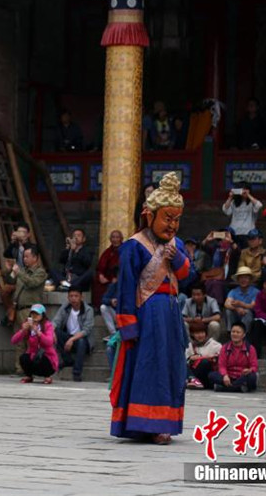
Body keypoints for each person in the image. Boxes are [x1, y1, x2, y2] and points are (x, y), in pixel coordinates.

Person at [111, 172, 193, 445]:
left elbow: (188, 276)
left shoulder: (176, 245)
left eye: (176, 220)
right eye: (167, 218)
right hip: (147, 314)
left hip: (170, 314)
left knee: (171, 369)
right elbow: (125, 288)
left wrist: (177, 258)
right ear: (150, 216)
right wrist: (128, 325)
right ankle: (144, 424)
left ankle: (164, 423)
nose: (172, 225)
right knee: (148, 369)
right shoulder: (134, 246)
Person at [5, 244, 48, 375]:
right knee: (19, 340)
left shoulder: (40, 272)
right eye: (24, 257)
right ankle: (19, 368)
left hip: (31, 310)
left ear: (35, 257)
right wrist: (10, 271)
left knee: (31, 340)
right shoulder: (22, 271)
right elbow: (9, 281)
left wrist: (19, 273)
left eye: (27, 256)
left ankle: (31, 368)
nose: (24, 259)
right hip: (18, 309)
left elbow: (31, 283)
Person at [51, 288, 94, 382]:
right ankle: (67, 360)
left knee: (81, 341)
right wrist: (52, 331)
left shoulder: (88, 310)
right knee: (56, 332)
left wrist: (72, 339)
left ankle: (77, 373)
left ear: (81, 297)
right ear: (68, 297)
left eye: (76, 296)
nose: (73, 298)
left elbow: (86, 330)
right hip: (68, 336)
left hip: (82, 339)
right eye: (71, 296)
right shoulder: (65, 307)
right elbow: (55, 321)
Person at [11, 303, 58, 384]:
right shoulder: (28, 325)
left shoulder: (47, 325)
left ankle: (47, 376)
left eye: (37, 314)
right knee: (24, 358)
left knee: (44, 359)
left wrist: (38, 332)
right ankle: (29, 375)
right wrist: (23, 330)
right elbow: (13, 341)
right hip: (33, 356)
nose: (35, 316)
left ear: (42, 315)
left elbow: (49, 342)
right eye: (33, 314)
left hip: (46, 356)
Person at [209, 322, 258, 393]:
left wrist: (249, 370)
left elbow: (254, 366)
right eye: (233, 332)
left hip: (242, 377)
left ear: (244, 335)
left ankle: (224, 388)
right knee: (212, 375)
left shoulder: (250, 349)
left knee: (252, 377)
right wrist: (225, 375)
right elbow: (222, 366)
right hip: (228, 377)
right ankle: (238, 388)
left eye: (238, 332)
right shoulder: (225, 348)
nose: (235, 334)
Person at [0, 223, 30, 320]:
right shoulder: (16, 247)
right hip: (16, 274)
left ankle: (10, 315)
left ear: (28, 234)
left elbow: (31, 252)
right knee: (4, 290)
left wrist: (23, 242)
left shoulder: (31, 246)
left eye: (23, 232)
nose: (20, 234)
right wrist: (12, 242)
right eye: (19, 232)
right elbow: (6, 254)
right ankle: (10, 311)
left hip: (26, 276)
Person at [184, 321, 221, 389]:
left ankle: (192, 379)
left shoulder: (215, 345)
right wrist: (191, 359)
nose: (200, 335)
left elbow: (218, 360)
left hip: (208, 374)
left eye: (202, 332)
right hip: (195, 372)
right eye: (197, 333)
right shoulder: (190, 346)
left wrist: (199, 358)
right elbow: (186, 361)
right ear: (192, 334)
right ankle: (192, 379)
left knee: (204, 362)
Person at [94, 230, 122, 310]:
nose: (115, 239)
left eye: (117, 237)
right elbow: (100, 267)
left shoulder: (124, 250)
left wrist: (116, 278)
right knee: (96, 280)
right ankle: (97, 306)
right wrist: (101, 275)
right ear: (110, 239)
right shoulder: (107, 252)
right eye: (113, 237)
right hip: (107, 277)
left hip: (119, 276)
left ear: (121, 239)